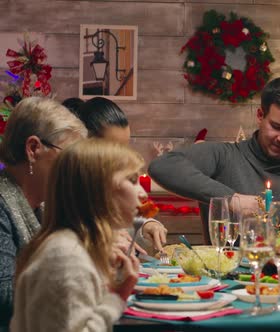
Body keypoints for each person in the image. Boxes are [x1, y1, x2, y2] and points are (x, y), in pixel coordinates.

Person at [149, 77, 280, 243]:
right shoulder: (223, 156)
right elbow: (162, 166)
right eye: (276, 127)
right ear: (260, 115)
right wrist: (231, 199)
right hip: (229, 284)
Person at [11, 138, 143, 331]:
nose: (143, 194)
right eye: (132, 180)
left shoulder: (73, 247)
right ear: (99, 190)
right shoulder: (67, 256)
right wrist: (115, 298)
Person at [0, 97, 88, 329]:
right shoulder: (1, 205)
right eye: (69, 156)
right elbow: (4, 295)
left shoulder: (43, 207)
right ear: (33, 149)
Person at [76, 97, 168, 252]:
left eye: (125, 148)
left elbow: (134, 214)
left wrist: (148, 224)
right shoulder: (70, 185)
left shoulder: (114, 177)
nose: (122, 157)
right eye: (114, 149)